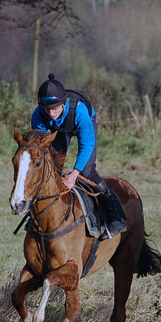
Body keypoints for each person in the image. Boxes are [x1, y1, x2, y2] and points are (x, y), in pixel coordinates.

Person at [31, 73, 127, 238]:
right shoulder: (39, 114)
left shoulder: (80, 111)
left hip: (82, 123)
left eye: (55, 108)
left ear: (63, 104)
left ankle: (116, 217)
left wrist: (74, 174)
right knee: (51, 170)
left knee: (87, 171)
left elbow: (86, 145)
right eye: (47, 109)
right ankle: (39, 216)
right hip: (59, 131)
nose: (51, 113)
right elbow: (39, 147)